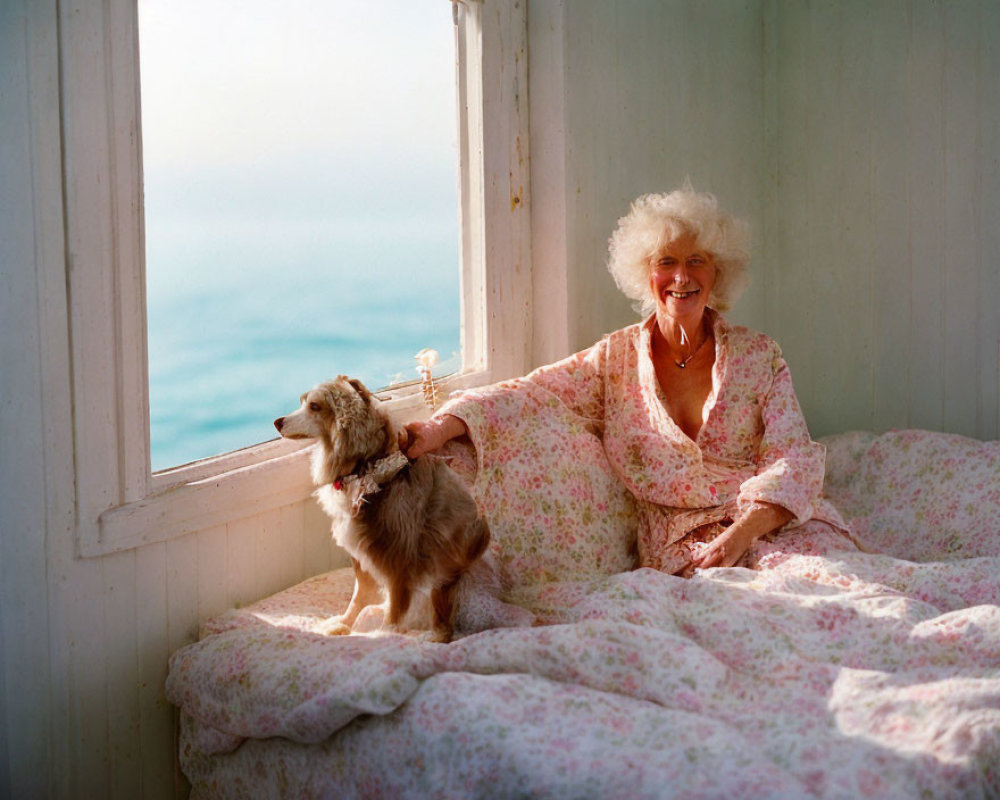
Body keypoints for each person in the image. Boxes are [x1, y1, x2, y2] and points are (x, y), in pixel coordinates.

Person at [405, 185, 852, 577]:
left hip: (775, 526)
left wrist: (742, 535)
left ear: (718, 273)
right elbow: (530, 392)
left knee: (842, 589)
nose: (682, 276)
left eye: (697, 261)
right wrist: (439, 426)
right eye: (667, 261)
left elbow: (793, 456)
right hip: (684, 553)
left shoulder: (760, 355)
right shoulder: (613, 359)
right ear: (646, 273)